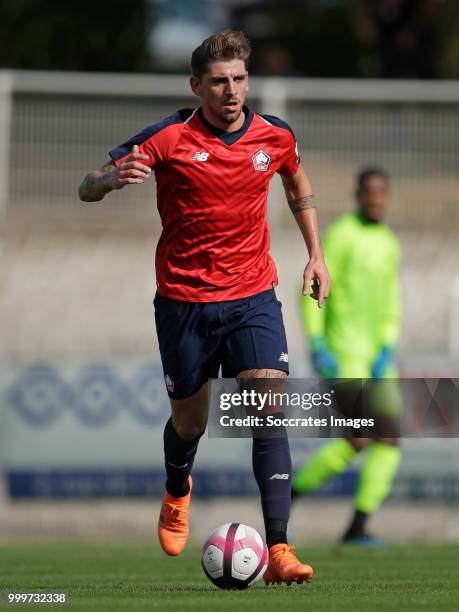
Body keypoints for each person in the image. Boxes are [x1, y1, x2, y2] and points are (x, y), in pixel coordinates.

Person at [79, 30, 330, 584]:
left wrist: (316, 254)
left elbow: (296, 180)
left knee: (268, 407)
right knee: (189, 422)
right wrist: (107, 180)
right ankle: (176, 487)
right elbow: (86, 186)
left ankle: (281, 549)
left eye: (239, 78)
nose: (232, 90)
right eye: (219, 81)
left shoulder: (275, 135)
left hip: (253, 295)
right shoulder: (168, 136)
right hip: (184, 303)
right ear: (197, 86)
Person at [292, 167, 401, 544]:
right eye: (369, 192)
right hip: (343, 354)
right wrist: (317, 343)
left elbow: (390, 300)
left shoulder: (388, 242)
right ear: (358, 195)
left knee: (388, 440)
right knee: (361, 438)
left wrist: (387, 342)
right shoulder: (341, 236)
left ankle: (357, 527)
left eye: (381, 192)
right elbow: (310, 285)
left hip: (377, 358)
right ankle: (288, 498)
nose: (376, 199)